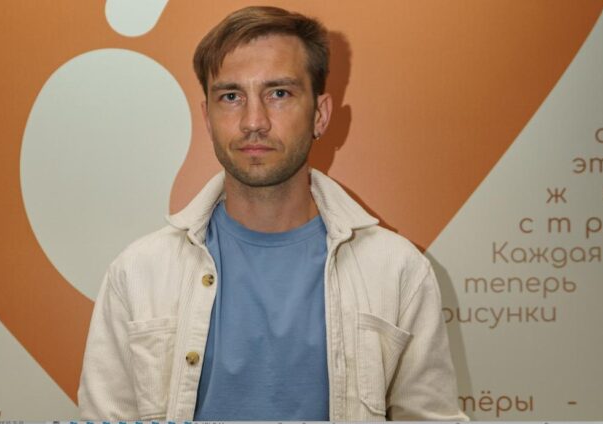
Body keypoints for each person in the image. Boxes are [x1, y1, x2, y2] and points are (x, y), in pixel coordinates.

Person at [79, 5, 467, 422]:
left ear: (319, 115)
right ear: (207, 118)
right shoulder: (138, 274)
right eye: (231, 97)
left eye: (279, 94)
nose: (253, 122)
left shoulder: (397, 271)